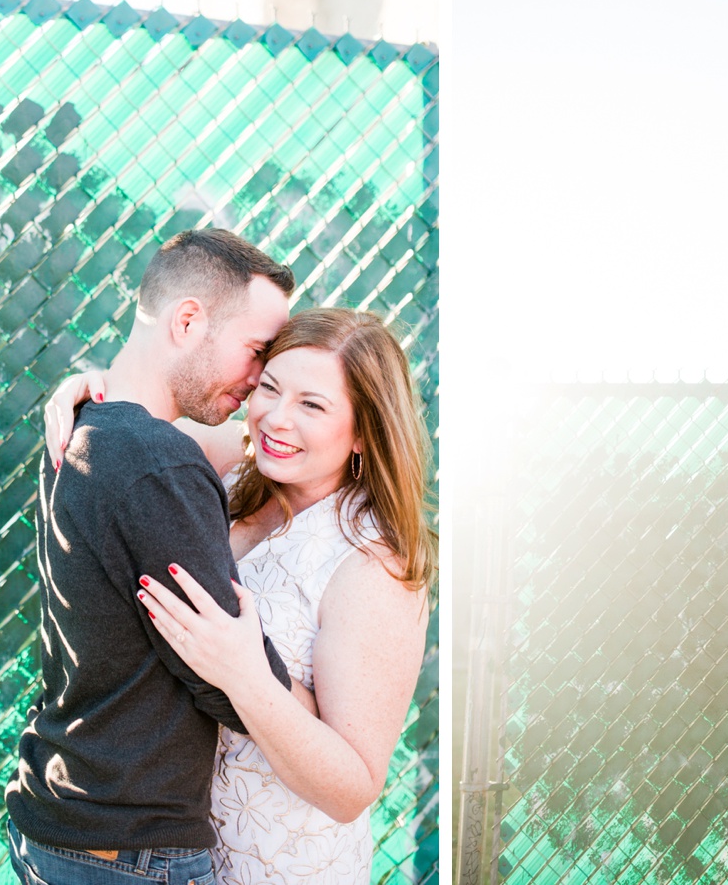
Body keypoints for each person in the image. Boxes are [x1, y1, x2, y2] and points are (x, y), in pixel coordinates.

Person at [43, 306, 435, 885]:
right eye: (269, 388)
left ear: (363, 432)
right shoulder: (232, 470)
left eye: (313, 405)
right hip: (179, 853)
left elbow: (352, 787)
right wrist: (84, 390)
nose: (276, 419)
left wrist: (244, 675)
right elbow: (139, 412)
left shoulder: (372, 567)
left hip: (280, 864)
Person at [5, 229, 299, 885]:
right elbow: (224, 679)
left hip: (56, 812)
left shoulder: (87, 428)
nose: (258, 383)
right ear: (188, 320)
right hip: (128, 849)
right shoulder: (159, 462)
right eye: (256, 353)